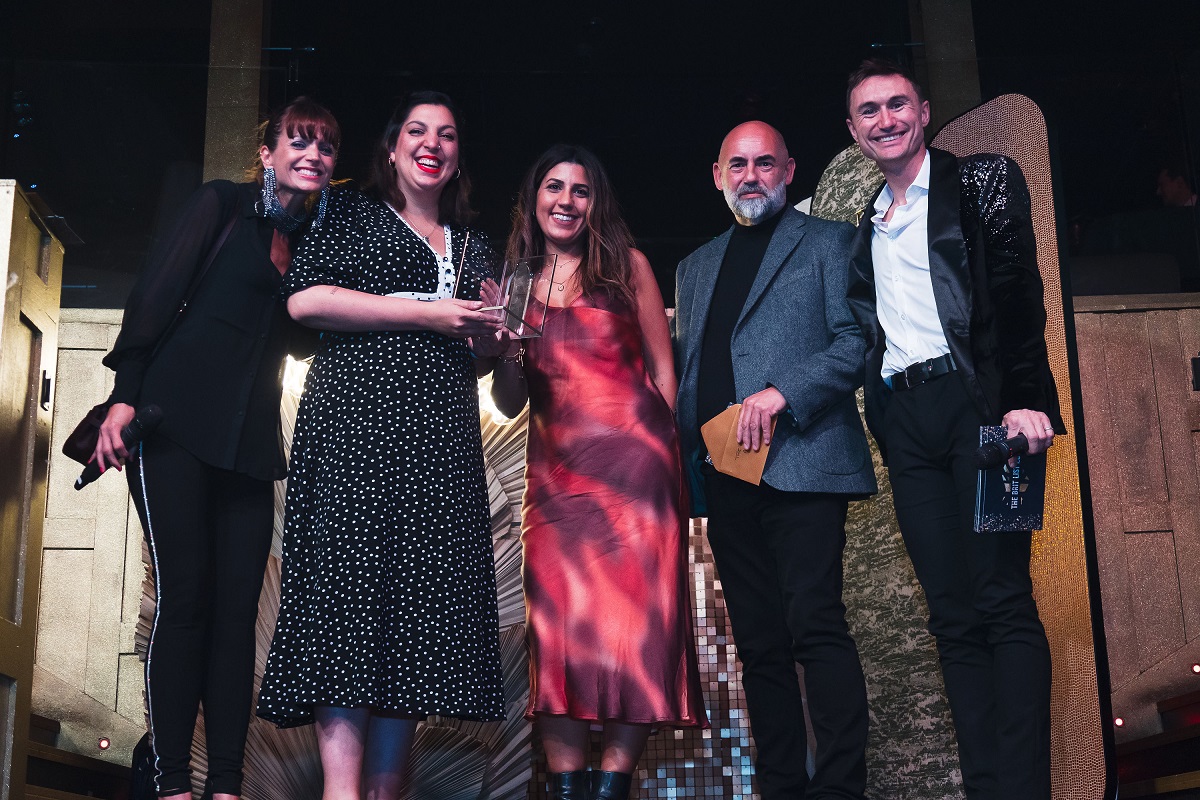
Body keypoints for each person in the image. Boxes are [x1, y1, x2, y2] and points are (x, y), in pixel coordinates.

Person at [253, 91, 505, 800]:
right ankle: (341, 793)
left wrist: (496, 334)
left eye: (447, 135)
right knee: (348, 606)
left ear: (458, 157)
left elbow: (482, 354)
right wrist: (426, 313)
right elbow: (305, 299)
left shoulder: (474, 244)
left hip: (440, 448)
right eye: (417, 131)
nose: (432, 144)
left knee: (415, 622)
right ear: (392, 149)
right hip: (353, 436)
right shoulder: (349, 213)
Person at [95, 96, 340, 799]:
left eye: (325, 147)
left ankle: (226, 786)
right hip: (174, 427)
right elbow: (155, 292)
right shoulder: (222, 205)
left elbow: (302, 342)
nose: (313, 155)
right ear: (268, 152)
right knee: (186, 604)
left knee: (237, 623)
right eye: (299, 141)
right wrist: (124, 394)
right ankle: (174, 782)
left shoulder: (314, 243)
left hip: (251, 445)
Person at [844, 58, 1065, 799]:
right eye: (869, 111)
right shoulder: (866, 221)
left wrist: (1024, 401)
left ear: (924, 110)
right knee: (951, 617)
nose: (885, 120)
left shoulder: (981, 180)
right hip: (908, 424)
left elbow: (1018, 293)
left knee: (1002, 599)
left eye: (897, 104)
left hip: (985, 412)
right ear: (854, 130)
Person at [486, 144, 707, 800]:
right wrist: (505, 350)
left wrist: (668, 460)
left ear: (595, 203)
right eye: (553, 187)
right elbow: (509, 401)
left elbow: (664, 372)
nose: (566, 200)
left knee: (638, 631)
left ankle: (612, 785)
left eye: (580, 190)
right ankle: (568, 785)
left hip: (639, 476)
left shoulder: (627, 265)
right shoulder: (516, 281)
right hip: (558, 484)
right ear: (533, 199)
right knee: (558, 632)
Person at [672, 121, 877, 800]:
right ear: (717, 176)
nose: (751, 176)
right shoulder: (694, 266)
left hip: (803, 463)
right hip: (725, 472)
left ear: (789, 171)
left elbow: (857, 342)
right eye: (738, 165)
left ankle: (841, 789)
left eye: (765, 163)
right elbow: (692, 370)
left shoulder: (831, 243)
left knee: (815, 626)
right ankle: (783, 787)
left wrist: (783, 392)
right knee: (760, 645)